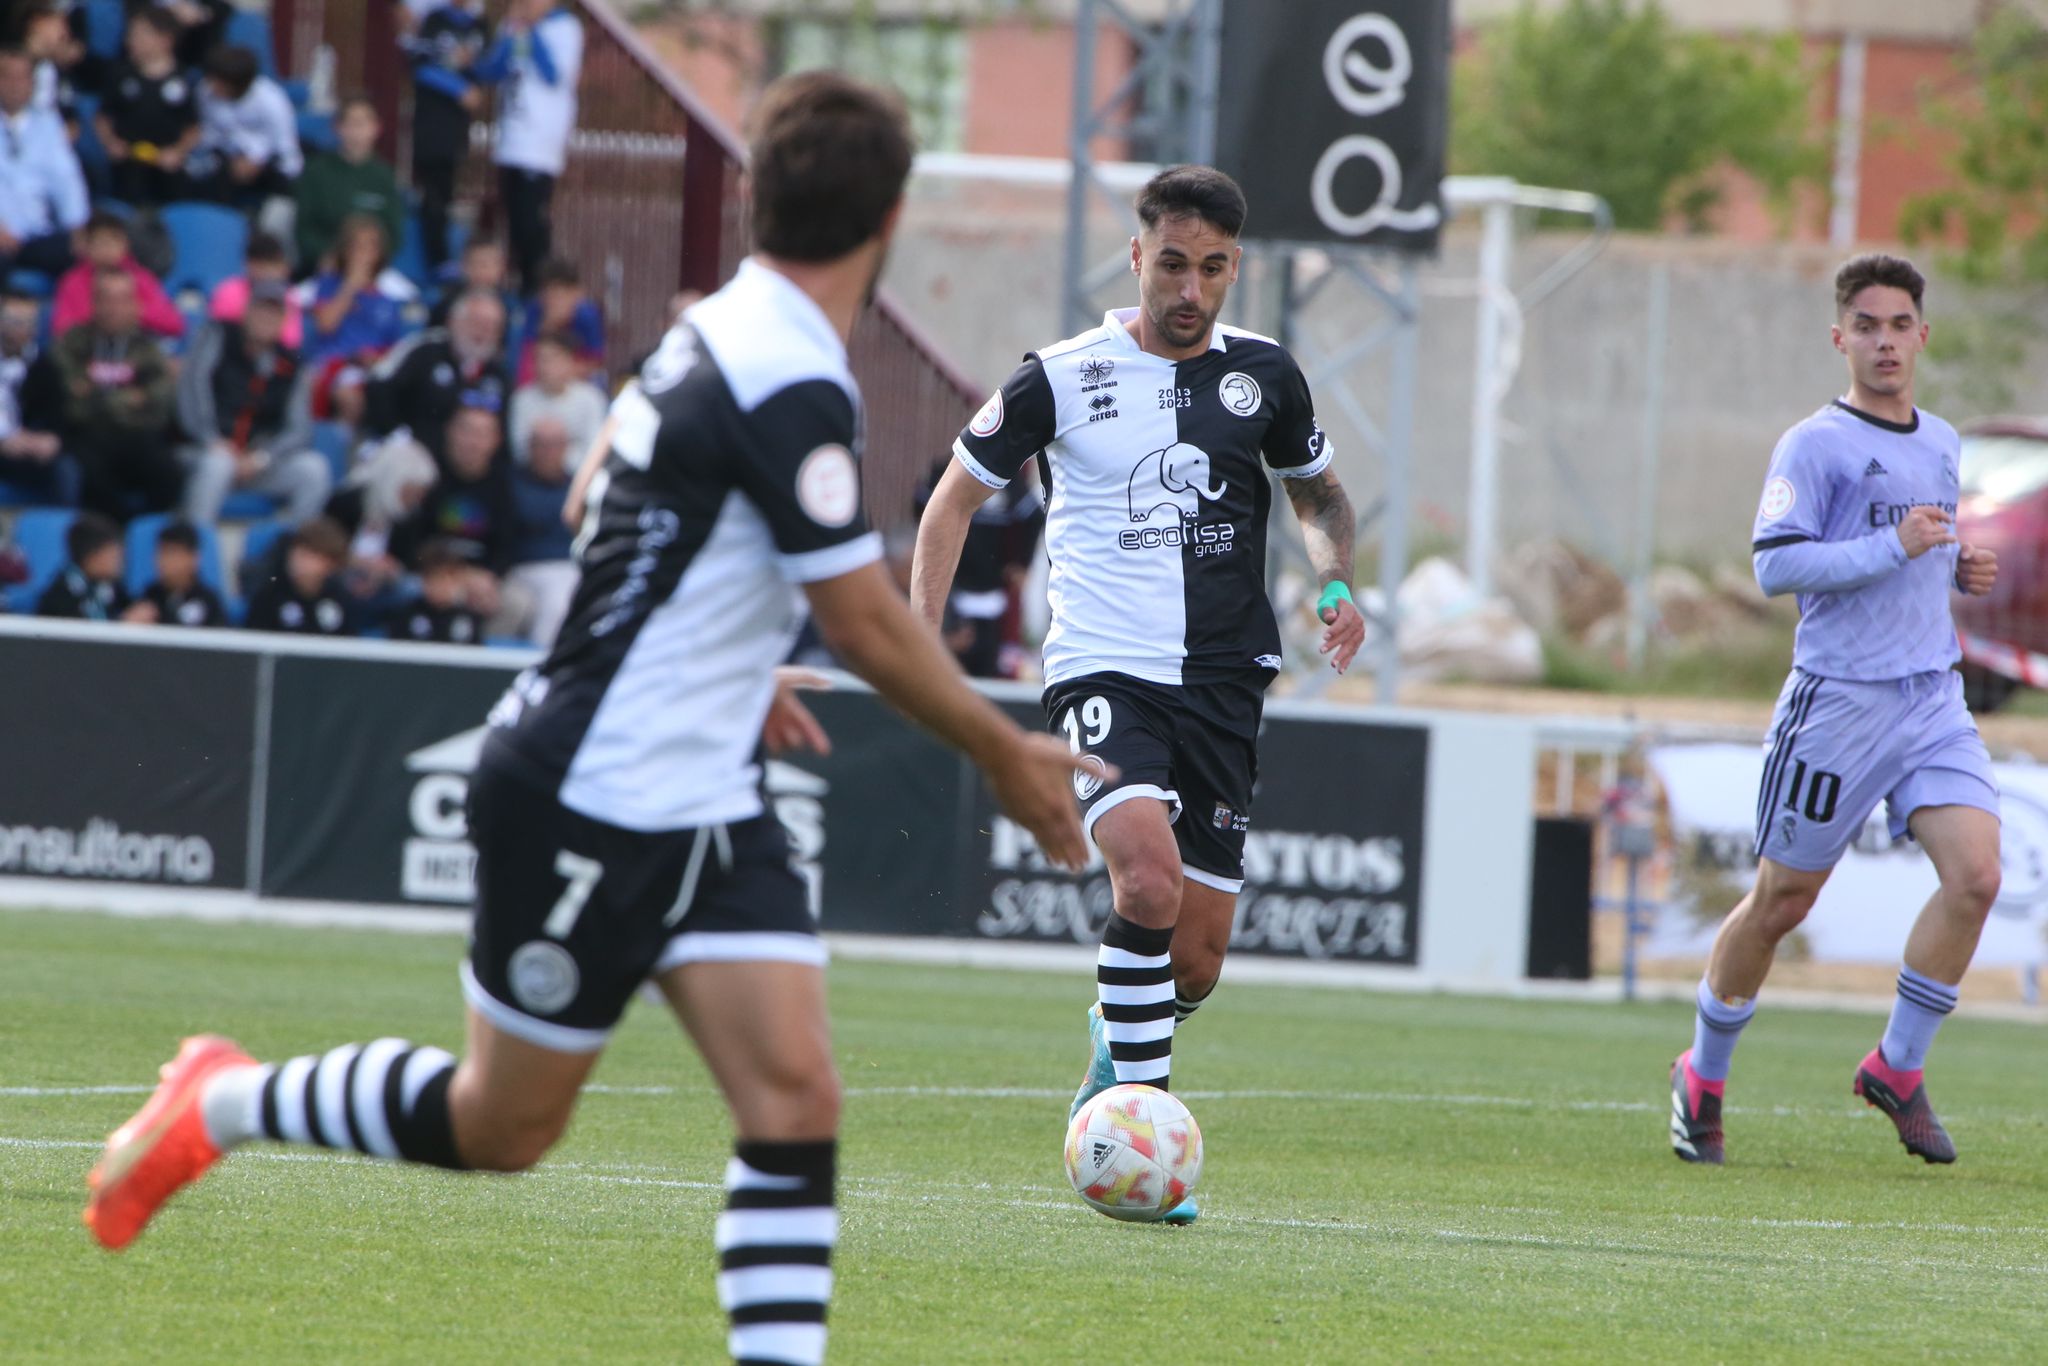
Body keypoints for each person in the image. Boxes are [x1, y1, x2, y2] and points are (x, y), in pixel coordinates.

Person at [84, 73, 1096, 1366]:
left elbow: (598, 516)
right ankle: (217, 1101)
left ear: (752, 195)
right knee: (501, 1126)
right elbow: (859, 619)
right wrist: (1002, 748)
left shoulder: (713, 329)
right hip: (591, 786)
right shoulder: (786, 369)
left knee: (793, 1095)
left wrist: (719, 660)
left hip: (701, 787)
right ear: (891, 215)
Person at [911, 164, 1365, 1223]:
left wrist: (1335, 578)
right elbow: (948, 506)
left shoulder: (1264, 375)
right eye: (1172, 264)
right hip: (1104, 668)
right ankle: (1139, 1130)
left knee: (1194, 959)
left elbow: (1319, 494)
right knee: (1147, 886)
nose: (1190, 290)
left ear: (1233, 267)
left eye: (1212, 269)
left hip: (1222, 679)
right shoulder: (1058, 377)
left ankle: (1113, 1055)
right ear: (1135, 257)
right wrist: (919, 646)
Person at [1667, 254, 2003, 1168]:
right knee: (1782, 900)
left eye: (1900, 325)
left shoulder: (1939, 439)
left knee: (1976, 877)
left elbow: (1920, 556)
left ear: (1922, 335)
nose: (1885, 341)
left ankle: (1897, 1068)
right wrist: (1892, 544)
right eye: (1868, 325)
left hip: (1932, 698)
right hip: (1839, 705)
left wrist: (1957, 568)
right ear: (1840, 337)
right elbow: (1778, 566)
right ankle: (1702, 1074)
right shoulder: (1811, 444)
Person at [177, 280, 330, 524]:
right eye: (261, 308)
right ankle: (199, 547)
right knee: (218, 464)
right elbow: (192, 391)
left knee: (313, 469)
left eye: (274, 312)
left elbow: (299, 429)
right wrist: (211, 440)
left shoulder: (292, 363)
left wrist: (262, 457)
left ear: (284, 320)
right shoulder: (217, 336)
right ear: (247, 310)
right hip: (201, 450)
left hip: (254, 462)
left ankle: (285, 550)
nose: (266, 317)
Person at [53, 266, 181, 518]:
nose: (114, 308)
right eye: (106, 299)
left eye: (122, 299)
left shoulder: (149, 348)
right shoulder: (72, 343)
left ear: (135, 304)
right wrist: (132, 397)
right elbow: (70, 399)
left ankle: (142, 535)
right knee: (85, 468)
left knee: (168, 470)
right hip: (88, 436)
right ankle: (108, 540)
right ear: (94, 302)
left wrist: (97, 395)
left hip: (139, 434)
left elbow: (160, 401)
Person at [473, 0, 580, 291]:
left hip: (540, 144)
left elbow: (553, 74)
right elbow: (492, 70)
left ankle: (536, 286)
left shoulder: (565, 28)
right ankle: (520, 283)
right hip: (511, 140)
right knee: (513, 220)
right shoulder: (512, 25)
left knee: (532, 221)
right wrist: (510, 36)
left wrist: (530, 31)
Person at [914, 457, 1043, 678]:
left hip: (990, 592)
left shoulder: (1007, 479)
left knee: (987, 669)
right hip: (950, 589)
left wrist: (1022, 562)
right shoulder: (947, 471)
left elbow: (1033, 515)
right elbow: (924, 506)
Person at [362, 287, 510, 464]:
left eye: (492, 326)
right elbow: (379, 387)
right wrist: (398, 437)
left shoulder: (498, 375)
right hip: (412, 455)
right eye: (477, 322)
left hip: (469, 467)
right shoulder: (425, 350)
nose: (483, 332)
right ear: (453, 321)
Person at [401, 0, 486, 275]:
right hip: (432, 120)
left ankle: (444, 260)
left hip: (457, 126)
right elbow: (420, 65)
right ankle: (436, 262)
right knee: (433, 192)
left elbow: (487, 67)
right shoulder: (435, 19)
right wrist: (458, 89)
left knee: (447, 189)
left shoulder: (479, 25)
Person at [94, 7, 202, 206]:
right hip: (128, 160)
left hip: (166, 164)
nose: (132, 41)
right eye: (131, 34)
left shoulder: (185, 80)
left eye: (141, 35)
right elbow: (103, 117)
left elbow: (193, 127)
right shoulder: (121, 74)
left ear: (165, 40)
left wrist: (177, 152)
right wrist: (111, 143)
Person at [0, 45, 89, 281]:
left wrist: (77, 226)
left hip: (36, 235)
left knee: (78, 255)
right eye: (7, 76)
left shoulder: (48, 125)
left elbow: (67, 179)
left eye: (22, 77)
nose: (14, 84)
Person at [293, 95, 405, 274]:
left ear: (376, 128)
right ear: (338, 127)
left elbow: (394, 233)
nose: (357, 131)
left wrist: (371, 262)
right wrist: (327, 257)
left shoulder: (384, 175)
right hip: (324, 267)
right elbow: (304, 228)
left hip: (373, 270)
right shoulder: (316, 171)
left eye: (363, 123)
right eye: (351, 123)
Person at [494, 396, 574, 645]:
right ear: (529, 447)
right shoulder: (510, 483)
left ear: (565, 448)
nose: (548, 452)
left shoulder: (576, 486)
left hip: (570, 566)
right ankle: (543, 667)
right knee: (558, 602)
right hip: (526, 567)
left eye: (555, 445)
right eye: (541, 444)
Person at [189, 43, 301, 211]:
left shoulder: (272, 101)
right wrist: (233, 158)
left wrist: (257, 161)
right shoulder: (204, 92)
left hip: (268, 161)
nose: (212, 85)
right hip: (225, 157)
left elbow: (285, 148)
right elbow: (209, 132)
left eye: (218, 82)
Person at [50, 210, 184, 340]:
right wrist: (105, 315)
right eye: (101, 243)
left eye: (113, 242)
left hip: (133, 352)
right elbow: (62, 330)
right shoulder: (73, 282)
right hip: (87, 354)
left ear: (124, 244)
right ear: (88, 247)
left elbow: (174, 324)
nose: (107, 250)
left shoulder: (142, 279)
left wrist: (135, 312)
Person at [0, 285, 75, 505]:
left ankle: (61, 530)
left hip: (28, 449)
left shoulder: (44, 366)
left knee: (66, 469)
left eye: (29, 323)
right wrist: (5, 438)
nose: (23, 330)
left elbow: (58, 415)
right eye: (15, 322)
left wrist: (50, 439)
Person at [241, 514, 352, 634]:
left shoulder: (339, 599)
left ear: (330, 564)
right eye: (298, 553)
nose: (299, 561)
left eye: (310, 556)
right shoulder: (269, 595)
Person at [35, 509, 152, 621]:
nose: (120, 561)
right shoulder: (60, 596)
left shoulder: (111, 588)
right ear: (92, 556)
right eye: (113, 555)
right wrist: (122, 624)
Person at [508, 329, 601, 467]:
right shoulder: (521, 399)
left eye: (552, 358)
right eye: (539, 359)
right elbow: (520, 450)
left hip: (575, 477)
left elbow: (594, 450)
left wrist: (556, 458)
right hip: (530, 479)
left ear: (569, 362)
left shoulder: (591, 399)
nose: (544, 366)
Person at [208, 231, 305, 349]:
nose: (272, 273)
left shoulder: (288, 298)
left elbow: (291, 341)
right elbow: (216, 331)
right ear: (250, 264)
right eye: (267, 265)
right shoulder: (230, 291)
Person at [512, 257, 601, 383]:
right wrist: (549, 325)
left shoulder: (587, 316)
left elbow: (594, 362)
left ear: (578, 293)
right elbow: (526, 368)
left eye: (562, 295)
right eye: (550, 296)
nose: (556, 302)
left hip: (576, 383)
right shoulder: (534, 311)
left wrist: (560, 372)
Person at [386, 534, 483, 644]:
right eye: (436, 578)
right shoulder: (405, 616)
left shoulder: (469, 619)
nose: (443, 586)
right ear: (424, 580)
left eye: (450, 579)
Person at [141, 517, 227, 626]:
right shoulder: (150, 596)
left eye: (171, 553)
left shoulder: (209, 601)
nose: (163, 560)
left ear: (193, 558)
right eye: (161, 553)